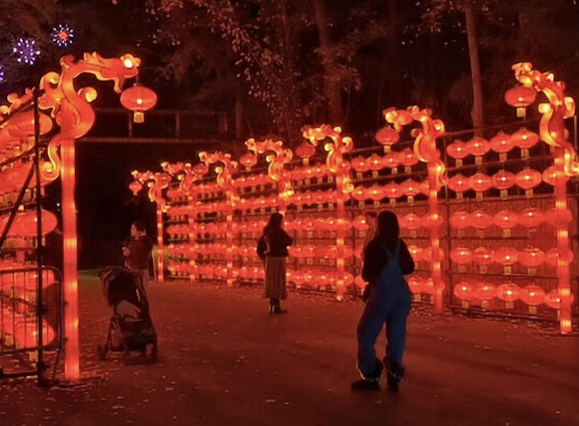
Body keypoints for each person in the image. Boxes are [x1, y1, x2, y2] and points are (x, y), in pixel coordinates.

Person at [352, 210, 415, 392]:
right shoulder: (399, 244)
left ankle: (371, 372)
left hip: (383, 293)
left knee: (365, 332)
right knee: (396, 335)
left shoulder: (374, 246)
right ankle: (394, 374)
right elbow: (409, 267)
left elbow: (367, 274)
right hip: (401, 295)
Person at [256, 212, 293, 314]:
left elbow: (260, 248)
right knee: (278, 281)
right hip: (278, 259)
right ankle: (276, 306)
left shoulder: (267, 232)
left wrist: (264, 257)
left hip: (270, 259)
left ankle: (273, 304)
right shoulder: (279, 232)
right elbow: (290, 241)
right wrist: (281, 245)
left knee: (272, 282)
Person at [122, 221, 153, 288]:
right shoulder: (131, 242)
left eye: (133, 228)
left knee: (141, 292)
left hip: (142, 270)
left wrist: (144, 237)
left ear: (139, 231)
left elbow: (148, 248)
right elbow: (131, 254)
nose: (131, 230)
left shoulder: (144, 241)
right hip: (133, 269)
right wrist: (126, 253)